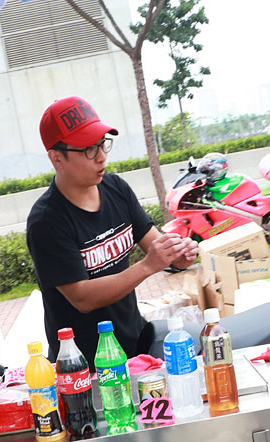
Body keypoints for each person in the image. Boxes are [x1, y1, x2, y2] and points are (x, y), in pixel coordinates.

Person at [26, 96, 197, 367]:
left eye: (102, 145)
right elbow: (82, 297)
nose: (102, 157)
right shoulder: (46, 221)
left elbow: (157, 245)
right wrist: (147, 266)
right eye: (88, 150)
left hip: (136, 341)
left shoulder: (117, 189)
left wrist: (179, 254)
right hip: (85, 366)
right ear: (57, 157)